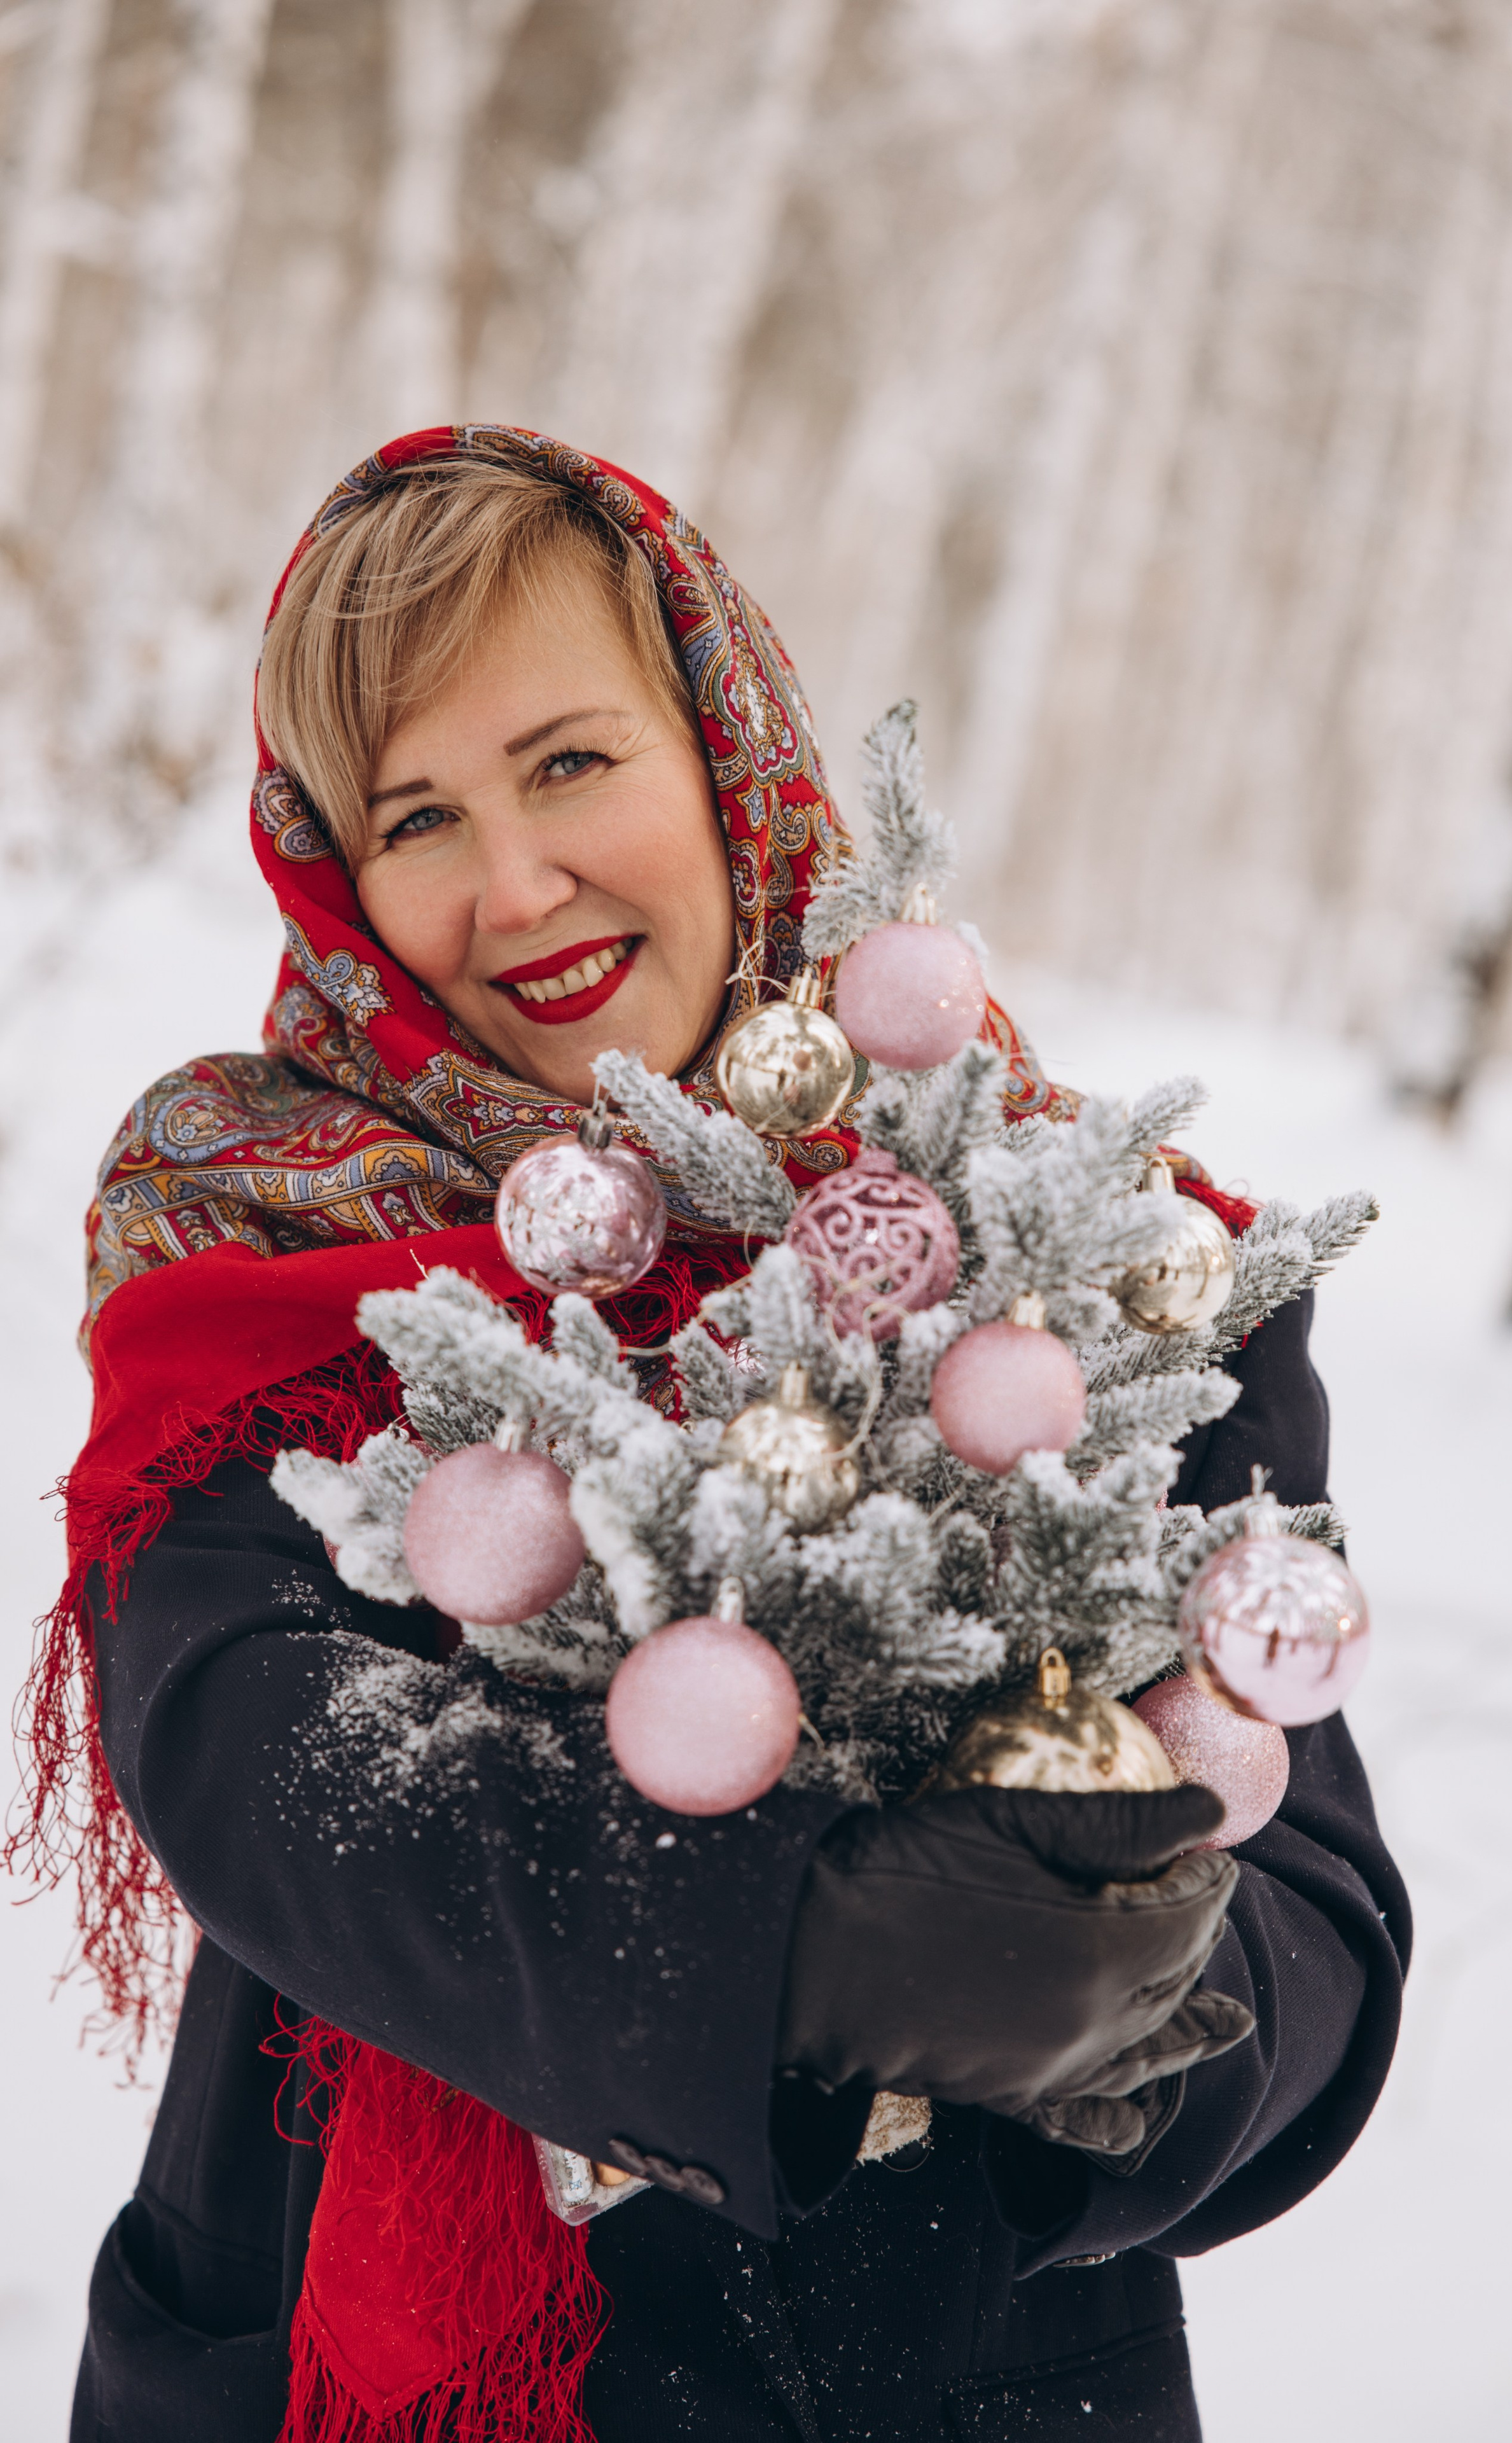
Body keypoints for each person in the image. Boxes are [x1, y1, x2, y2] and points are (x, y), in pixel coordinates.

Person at [21, 428, 1408, 2443]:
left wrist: (1132, 2009)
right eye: (413, 814)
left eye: (572, 762)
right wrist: (791, 1951)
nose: (512, 887)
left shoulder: (1085, 1268)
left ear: (726, 748)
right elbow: (247, 1734)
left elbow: (1326, 1923)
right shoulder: (266, 1223)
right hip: (348, 2370)